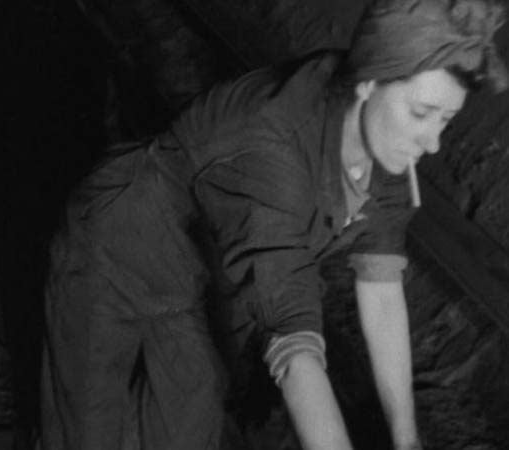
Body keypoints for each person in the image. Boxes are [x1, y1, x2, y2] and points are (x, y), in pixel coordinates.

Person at [40, 0, 508, 449]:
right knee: (88, 427)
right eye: (421, 113)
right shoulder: (275, 143)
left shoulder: (388, 150)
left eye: (446, 120)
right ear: (369, 84)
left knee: (186, 428)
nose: (432, 142)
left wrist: (406, 439)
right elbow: (293, 344)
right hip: (116, 246)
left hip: (199, 280)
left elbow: (381, 290)